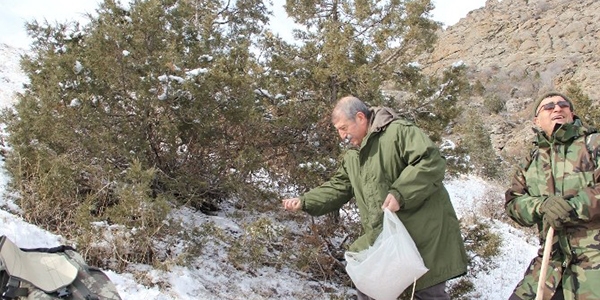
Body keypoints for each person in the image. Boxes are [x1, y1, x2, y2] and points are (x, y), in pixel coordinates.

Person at [282, 96, 468, 300]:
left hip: (424, 234)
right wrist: (306, 201)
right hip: (386, 236)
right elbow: (339, 186)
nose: (341, 136)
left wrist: (400, 193)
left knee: (427, 292)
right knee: (369, 286)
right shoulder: (353, 154)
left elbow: (430, 161)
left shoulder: (398, 131)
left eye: (344, 128)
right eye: (338, 130)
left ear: (360, 118)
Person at [505, 91, 600, 300]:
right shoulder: (531, 161)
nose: (557, 108)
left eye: (563, 104)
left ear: (572, 113)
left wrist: (573, 207)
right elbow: (513, 203)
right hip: (550, 264)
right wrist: (541, 206)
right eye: (548, 107)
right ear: (537, 120)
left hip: (593, 263)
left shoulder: (593, 144)